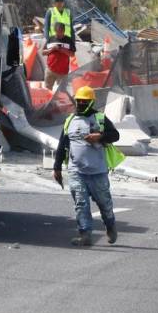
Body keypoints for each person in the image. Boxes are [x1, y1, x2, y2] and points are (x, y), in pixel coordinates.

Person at [53, 86, 121, 246]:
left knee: (104, 203)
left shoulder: (100, 119)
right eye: (79, 101)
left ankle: (110, 225)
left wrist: (100, 137)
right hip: (76, 171)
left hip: (98, 172)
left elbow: (115, 136)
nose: (81, 104)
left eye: (85, 101)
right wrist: (56, 168)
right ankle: (85, 234)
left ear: (91, 102)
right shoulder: (70, 120)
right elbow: (62, 144)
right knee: (80, 203)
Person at [43, 21, 74, 90]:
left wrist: (62, 49)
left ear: (64, 31)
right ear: (54, 31)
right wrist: (52, 49)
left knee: (62, 91)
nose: (58, 34)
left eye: (60, 32)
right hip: (50, 70)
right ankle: (49, 101)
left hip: (63, 72)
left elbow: (72, 54)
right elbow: (43, 52)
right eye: (57, 32)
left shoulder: (68, 40)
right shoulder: (50, 39)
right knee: (47, 90)